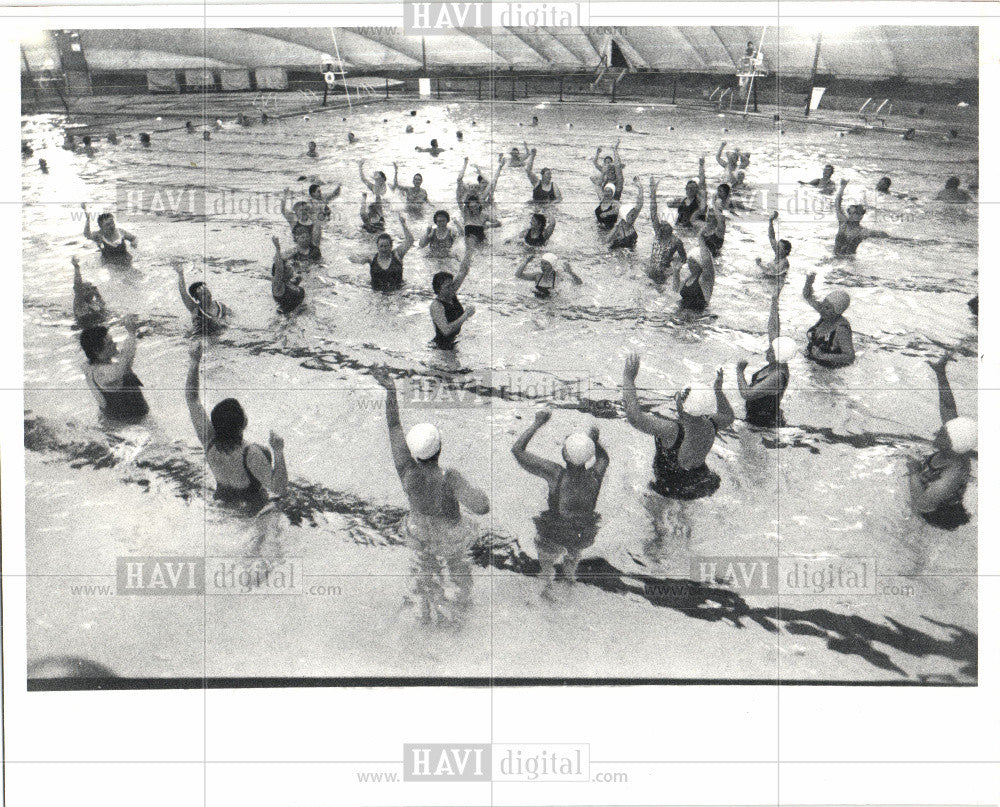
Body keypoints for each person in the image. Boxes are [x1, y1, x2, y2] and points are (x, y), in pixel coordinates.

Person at [371, 368, 490, 625]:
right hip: (451, 537)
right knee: (459, 572)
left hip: (418, 532)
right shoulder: (450, 478)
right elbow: (482, 507)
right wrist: (475, 493)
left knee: (425, 573)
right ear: (440, 448)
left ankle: (424, 613)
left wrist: (391, 391)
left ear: (413, 453)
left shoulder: (406, 472)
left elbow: (393, 426)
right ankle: (459, 612)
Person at [512, 410, 609, 599]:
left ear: (564, 455)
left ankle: (547, 587)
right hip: (584, 533)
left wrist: (537, 423)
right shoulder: (595, 475)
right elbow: (604, 458)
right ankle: (570, 582)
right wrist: (594, 442)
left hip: (554, 531)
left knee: (547, 565)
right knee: (573, 557)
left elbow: (517, 451)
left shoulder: (556, 475)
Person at [185, 341, 288, 515]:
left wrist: (195, 361)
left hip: (221, 506)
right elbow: (279, 489)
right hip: (252, 512)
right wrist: (278, 451)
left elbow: (191, 398)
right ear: (244, 423)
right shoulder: (251, 453)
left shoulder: (208, 440)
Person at [623, 354, 733, 500]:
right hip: (699, 482)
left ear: (681, 405)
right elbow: (728, 416)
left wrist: (628, 378)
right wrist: (718, 390)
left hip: (670, 488)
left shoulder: (672, 431)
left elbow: (635, 419)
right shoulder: (711, 424)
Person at [907, 352, 976, 528]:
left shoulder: (953, 473)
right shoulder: (957, 444)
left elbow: (923, 504)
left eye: (942, 434)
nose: (937, 431)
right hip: (933, 496)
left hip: (936, 519)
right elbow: (948, 406)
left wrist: (914, 472)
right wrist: (941, 373)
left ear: (952, 445)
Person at [736, 289, 795, 428]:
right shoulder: (779, 360)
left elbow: (747, 394)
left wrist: (739, 372)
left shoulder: (777, 376)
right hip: (758, 416)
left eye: (771, 351)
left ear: (778, 356)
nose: (767, 350)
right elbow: (773, 329)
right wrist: (774, 300)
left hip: (764, 424)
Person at [80, 315, 149, 424]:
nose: (115, 344)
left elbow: (126, 363)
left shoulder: (95, 367)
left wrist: (133, 336)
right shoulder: (101, 373)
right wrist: (131, 333)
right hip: (126, 428)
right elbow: (123, 366)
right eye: (110, 343)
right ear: (97, 351)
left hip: (124, 424)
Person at [349, 215, 415, 292]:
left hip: (397, 293)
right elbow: (354, 258)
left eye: (386, 246)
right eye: (381, 246)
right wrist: (357, 260)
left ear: (391, 246)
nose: (384, 249)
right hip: (376, 293)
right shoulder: (372, 257)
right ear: (377, 246)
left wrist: (403, 224)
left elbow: (410, 241)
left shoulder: (397, 255)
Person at [802, 273, 855, 367]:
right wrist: (809, 283)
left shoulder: (842, 328)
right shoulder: (826, 314)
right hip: (812, 364)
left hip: (828, 371)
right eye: (823, 304)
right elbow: (808, 297)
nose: (821, 308)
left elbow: (850, 357)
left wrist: (823, 356)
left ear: (837, 311)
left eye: (827, 307)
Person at [833, 179, 892, 256]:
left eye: (858, 214)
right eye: (852, 213)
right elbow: (837, 203)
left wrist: (902, 240)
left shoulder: (862, 232)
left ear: (861, 216)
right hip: (835, 256)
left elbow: (882, 235)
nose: (855, 216)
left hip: (848, 261)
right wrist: (842, 187)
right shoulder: (842, 222)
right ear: (849, 213)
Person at [430, 252, 476, 350]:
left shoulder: (450, 294)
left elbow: (463, 271)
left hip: (454, 341)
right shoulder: (436, 306)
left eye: (452, 285)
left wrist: (469, 250)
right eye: (448, 287)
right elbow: (446, 330)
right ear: (439, 289)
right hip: (441, 347)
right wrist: (465, 315)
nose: (452, 288)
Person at [174, 261, 230, 335]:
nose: (207, 295)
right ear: (198, 299)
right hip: (199, 335)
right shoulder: (195, 309)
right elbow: (183, 292)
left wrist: (225, 321)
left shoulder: (220, 306)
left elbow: (231, 317)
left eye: (207, 291)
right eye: (203, 294)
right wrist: (180, 274)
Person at [647, 177, 687, 281]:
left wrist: (671, 271)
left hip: (662, 276)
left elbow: (684, 258)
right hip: (649, 271)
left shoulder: (676, 241)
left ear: (671, 227)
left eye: (665, 225)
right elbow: (653, 213)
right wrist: (653, 193)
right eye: (662, 223)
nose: (661, 227)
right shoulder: (658, 231)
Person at [672, 231, 715, 311]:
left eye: (693, 262)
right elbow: (676, 290)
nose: (689, 264)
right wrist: (676, 272)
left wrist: (700, 237)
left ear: (700, 264)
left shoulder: (705, 279)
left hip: (697, 318)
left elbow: (707, 260)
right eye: (689, 261)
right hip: (682, 314)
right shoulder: (689, 278)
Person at [515, 252, 582, 298]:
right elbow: (518, 275)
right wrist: (526, 262)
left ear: (552, 265)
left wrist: (570, 272)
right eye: (542, 263)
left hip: (550, 304)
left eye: (546, 264)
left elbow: (579, 283)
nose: (542, 266)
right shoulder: (537, 276)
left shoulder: (558, 276)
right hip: (536, 303)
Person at [270, 235, 308, 315]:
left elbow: (301, 276)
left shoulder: (291, 283)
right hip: (286, 321)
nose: (291, 267)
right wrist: (277, 249)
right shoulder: (278, 286)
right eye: (288, 267)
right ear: (283, 272)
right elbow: (279, 268)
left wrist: (299, 269)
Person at [607, 177, 644, 250]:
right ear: (624, 216)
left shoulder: (631, 219)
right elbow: (606, 241)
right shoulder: (618, 228)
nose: (633, 217)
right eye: (631, 215)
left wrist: (640, 187)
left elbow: (640, 203)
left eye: (633, 214)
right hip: (619, 254)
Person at [72, 257, 107, 327]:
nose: (90, 291)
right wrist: (76, 267)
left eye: (91, 288)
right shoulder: (80, 304)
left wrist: (97, 293)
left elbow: (102, 305)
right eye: (87, 289)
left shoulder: (95, 303)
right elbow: (78, 285)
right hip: (85, 325)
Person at [755, 212, 791, 277]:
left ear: (786, 251)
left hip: (773, 284)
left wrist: (759, 264)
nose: (776, 248)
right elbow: (771, 237)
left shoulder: (784, 263)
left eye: (779, 247)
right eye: (777, 246)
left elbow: (772, 274)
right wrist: (770, 221)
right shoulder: (778, 254)